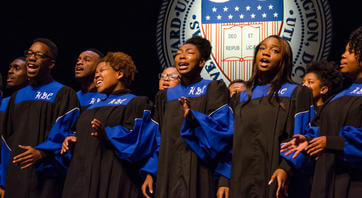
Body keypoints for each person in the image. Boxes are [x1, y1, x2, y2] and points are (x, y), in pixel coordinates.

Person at [282, 26, 362, 198]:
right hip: (327, 180)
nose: (343, 55)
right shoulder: (338, 97)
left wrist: (332, 143)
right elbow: (323, 128)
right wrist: (309, 141)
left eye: (350, 51)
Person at [141, 36, 232, 198]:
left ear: (202, 62)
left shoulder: (212, 89)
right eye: (178, 53)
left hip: (200, 169)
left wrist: (194, 119)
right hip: (167, 171)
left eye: (189, 53)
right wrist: (151, 172)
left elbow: (223, 134)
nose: (182, 56)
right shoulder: (166, 96)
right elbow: (157, 138)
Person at [62, 52, 158, 198]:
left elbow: (140, 140)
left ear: (119, 74)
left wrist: (108, 135)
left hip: (114, 175)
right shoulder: (92, 107)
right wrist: (75, 139)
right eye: (95, 72)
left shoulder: (136, 102)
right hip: (82, 175)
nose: (96, 75)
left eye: (102, 70)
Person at [228, 35, 315, 198]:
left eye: (274, 50)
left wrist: (285, 167)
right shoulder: (240, 97)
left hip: (277, 176)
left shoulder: (296, 93)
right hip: (240, 180)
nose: (266, 53)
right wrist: (224, 181)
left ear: (284, 59)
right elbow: (228, 142)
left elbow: (303, 137)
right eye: (262, 48)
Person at [1, 38, 79, 198]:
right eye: (29, 53)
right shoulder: (18, 96)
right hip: (17, 173)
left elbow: (65, 132)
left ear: (51, 63)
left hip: (47, 173)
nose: (31, 57)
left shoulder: (63, 93)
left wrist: (42, 152)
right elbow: (6, 139)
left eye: (38, 54)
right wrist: (2, 179)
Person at [0, 56, 28, 196]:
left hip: (14, 176)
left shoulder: (31, 106)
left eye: (16, 68)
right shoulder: (4, 102)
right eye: (10, 67)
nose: (10, 72)